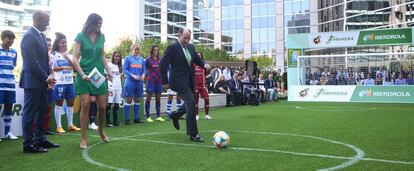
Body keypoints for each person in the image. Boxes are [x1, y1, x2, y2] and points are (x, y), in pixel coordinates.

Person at [159, 27, 210, 142]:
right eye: (185, 38)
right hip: (177, 82)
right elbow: (162, 65)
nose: (187, 41)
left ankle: (176, 115)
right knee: (191, 102)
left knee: (191, 102)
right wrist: (165, 82)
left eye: (188, 38)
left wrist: (204, 65)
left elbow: (197, 60)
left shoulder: (191, 47)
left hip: (189, 81)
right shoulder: (172, 48)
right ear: (179, 36)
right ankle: (193, 134)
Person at [20, 10, 59, 153]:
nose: (48, 23)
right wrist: (46, 77)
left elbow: (44, 61)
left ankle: (40, 139)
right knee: (30, 113)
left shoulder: (41, 36)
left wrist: (49, 77)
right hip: (32, 81)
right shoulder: (29, 36)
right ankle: (28, 144)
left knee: (42, 110)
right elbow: (32, 62)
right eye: (45, 20)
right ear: (36, 19)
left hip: (42, 82)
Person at [72, 13, 111, 149]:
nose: (100, 26)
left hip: (97, 75)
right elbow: (75, 58)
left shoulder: (102, 36)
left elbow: (102, 56)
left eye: (101, 23)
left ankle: (100, 129)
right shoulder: (80, 36)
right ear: (91, 23)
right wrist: (81, 73)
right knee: (86, 105)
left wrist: (109, 71)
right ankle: (83, 138)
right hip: (84, 74)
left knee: (102, 107)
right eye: (98, 23)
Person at [51, 32, 80, 133]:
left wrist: (68, 58)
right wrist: (63, 67)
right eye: (62, 42)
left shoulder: (69, 55)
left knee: (71, 103)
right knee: (59, 103)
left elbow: (75, 68)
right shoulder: (54, 55)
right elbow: (52, 68)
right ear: (58, 43)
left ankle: (70, 125)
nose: (64, 44)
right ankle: (59, 126)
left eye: (66, 42)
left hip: (70, 82)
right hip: (59, 82)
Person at [0, 30, 18, 140]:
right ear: (3, 38)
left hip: (10, 84)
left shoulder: (14, 52)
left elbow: (13, 67)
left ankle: (7, 132)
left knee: (9, 107)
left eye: (13, 39)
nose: (11, 41)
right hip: (0, 84)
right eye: (9, 38)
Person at [123, 43, 146, 124]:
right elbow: (125, 70)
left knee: (138, 99)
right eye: (135, 49)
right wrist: (132, 75)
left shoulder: (142, 59)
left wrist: (143, 75)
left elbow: (144, 70)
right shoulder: (128, 58)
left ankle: (136, 118)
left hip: (139, 82)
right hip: (130, 81)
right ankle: (127, 119)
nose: (137, 51)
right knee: (129, 99)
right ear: (132, 49)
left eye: (138, 49)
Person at [144, 45, 165, 123]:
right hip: (150, 82)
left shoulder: (160, 60)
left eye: (157, 50)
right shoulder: (148, 60)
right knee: (148, 99)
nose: (156, 52)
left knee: (158, 99)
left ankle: (158, 116)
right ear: (152, 51)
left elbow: (162, 70)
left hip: (159, 82)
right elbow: (145, 70)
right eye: (154, 50)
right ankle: (148, 117)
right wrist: (146, 80)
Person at [105, 51, 123, 126]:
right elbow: (105, 75)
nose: (117, 58)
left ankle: (115, 121)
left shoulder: (120, 66)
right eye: (116, 56)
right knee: (109, 103)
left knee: (117, 104)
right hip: (111, 87)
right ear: (113, 57)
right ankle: (108, 122)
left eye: (119, 57)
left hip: (118, 87)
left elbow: (121, 76)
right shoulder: (109, 65)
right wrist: (108, 78)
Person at [193, 52, 211, 120]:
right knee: (196, 101)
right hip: (195, 86)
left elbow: (207, 74)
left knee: (207, 99)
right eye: (198, 55)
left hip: (203, 86)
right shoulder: (193, 65)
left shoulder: (204, 65)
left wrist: (208, 68)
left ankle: (207, 115)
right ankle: (196, 115)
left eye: (200, 55)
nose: (199, 56)